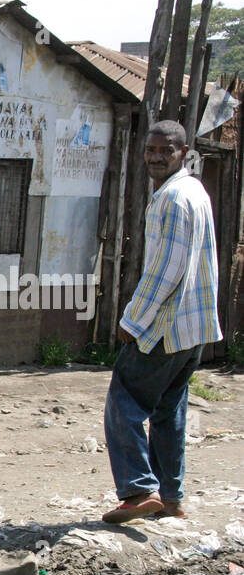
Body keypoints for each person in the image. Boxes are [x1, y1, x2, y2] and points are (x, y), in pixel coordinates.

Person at [102, 120, 220, 525]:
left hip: (167, 326)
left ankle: (137, 491)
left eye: (164, 150)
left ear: (182, 153)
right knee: (169, 411)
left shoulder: (172, 198)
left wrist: (133, 320)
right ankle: (170, 499)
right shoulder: (195, 192)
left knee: (125, 401)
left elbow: (165, 271)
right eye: (150, 150)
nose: (154, 156)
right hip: (194, 327)